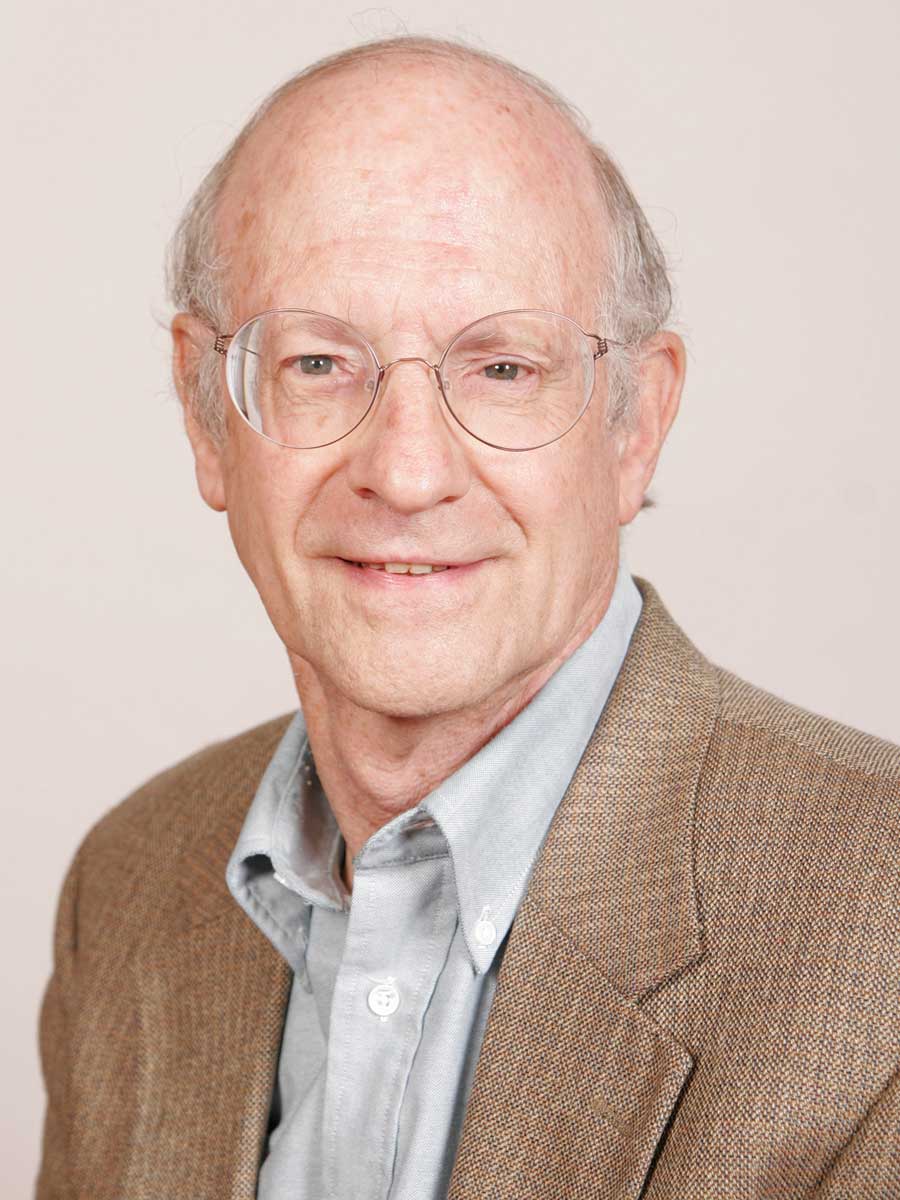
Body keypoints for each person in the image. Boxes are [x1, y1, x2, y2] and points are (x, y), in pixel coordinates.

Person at [35, 35, 900, 1200]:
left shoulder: (878, 935)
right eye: (320, 362)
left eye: (502, 368)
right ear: (206, 415)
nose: (406, 473)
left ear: (636, 425)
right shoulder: (129, 888)